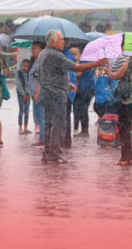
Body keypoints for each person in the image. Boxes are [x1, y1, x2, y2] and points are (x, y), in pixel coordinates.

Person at [36, 30, 106, 164]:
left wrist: (67, 83)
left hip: (47, 92)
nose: (63, 42)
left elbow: (47, 74)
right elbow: (76, 67)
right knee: (58, 125)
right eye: (60, 39)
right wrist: (96, 63)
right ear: (51, 41)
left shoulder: (43, 54)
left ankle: (47, 153)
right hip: (55, 94)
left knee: (49, 123)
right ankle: (55, 154)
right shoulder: (55, 55)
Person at [72, 47, 96, 137]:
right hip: (81, 89)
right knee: (78, 109)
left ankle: (85, 131)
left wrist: (70, 70)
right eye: (72, 54)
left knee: (83, 109)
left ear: (80, 54)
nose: (73, 56)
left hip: (86, 89)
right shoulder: (78, 63)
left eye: (75, 54)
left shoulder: (83, 62)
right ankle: (80, 129)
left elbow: (78, 73)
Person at [29, 41, 45, 147]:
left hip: (39, 94)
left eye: (34, 48)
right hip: (35, 94)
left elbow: (41, 78)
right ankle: (43, 137)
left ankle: (43, 138)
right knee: (39, 116)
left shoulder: (41, 62)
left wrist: (36, 92)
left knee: (41, 116)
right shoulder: (35, 61)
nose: (32, 51)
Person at [16, 59, 32, 134]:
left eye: (27, 66)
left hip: (28, 95)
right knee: (21, 110)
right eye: (24, 66)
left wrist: (28, 94)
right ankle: (20, 127)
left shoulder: (30, 74)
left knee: (27, 111)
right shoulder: (18, 73)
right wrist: (23, 94)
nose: (25, 68)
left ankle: (26, 128)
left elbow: (30, 84)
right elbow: (18, 85)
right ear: (21, 65)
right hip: (20, 94)